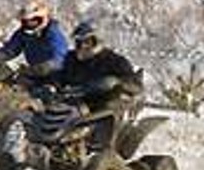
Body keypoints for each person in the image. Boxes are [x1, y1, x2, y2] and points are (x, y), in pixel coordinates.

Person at [55, 19, 144, 148]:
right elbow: (59, 76)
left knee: (110, 108)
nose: (83, 46)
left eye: (88, 41)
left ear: (97, 40)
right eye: (79, 42)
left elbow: (134, 83)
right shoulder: (71, 59)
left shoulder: (114, 60)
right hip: (75, 105)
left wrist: (116, 83)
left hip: (103, 107)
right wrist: (50, 85)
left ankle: (103, 148)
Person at [0, 0, 70, 81]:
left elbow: (60, 59)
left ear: (43, 19)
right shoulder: (23, 34)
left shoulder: (53, 34)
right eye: (26, 22)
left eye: (33, 21)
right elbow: (10, 50)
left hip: (54, 77)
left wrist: (41, 68)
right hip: (32, 75)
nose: (30, 24)